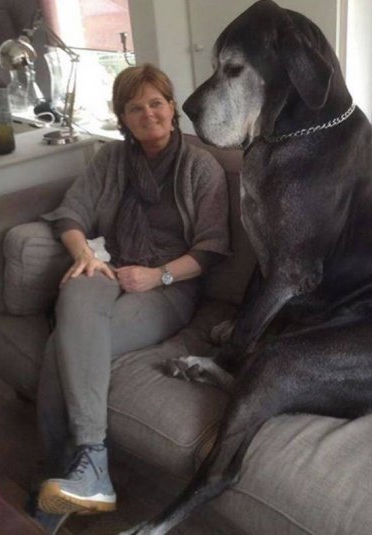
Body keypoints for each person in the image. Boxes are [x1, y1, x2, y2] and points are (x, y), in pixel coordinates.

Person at [34, 63, 230, 517]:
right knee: (76, 292)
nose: (148, 114)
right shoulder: (111, 160)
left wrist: (158, 275)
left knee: (62, 347)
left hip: (169, 286)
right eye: (135, 108)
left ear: (172, 107)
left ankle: (65, 478)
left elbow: (212, 249)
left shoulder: (200, 167)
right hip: (111, 265)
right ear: (123, 118)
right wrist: (84, 254)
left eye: (156, 103)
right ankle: (88, 470)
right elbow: (71, 213)